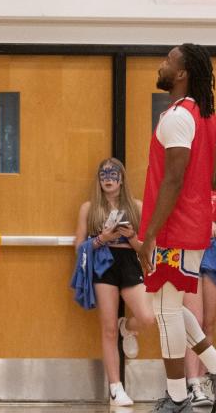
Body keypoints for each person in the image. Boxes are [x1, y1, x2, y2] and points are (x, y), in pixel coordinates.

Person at [137, 44, 216, 413]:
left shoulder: (179, 116)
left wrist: (149, 234)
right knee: (169, 304)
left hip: (174, 228)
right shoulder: (208, 117)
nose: (162, 65)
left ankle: (178, 396)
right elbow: (206, 176)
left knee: (165, 311)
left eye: (168, 60)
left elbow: (175, 179)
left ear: (182, 73)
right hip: (190, 225)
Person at [74, 158, 155, 407]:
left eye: (113, 174)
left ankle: (127, 327)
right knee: (107, 328)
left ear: (122, 178)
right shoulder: (89, 208)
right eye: (103, 174)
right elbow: (79, 247)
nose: (108, 178)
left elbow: (146, 248)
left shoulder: (137, 207)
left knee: (147, 317)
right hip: (103, 264)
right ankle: (115, 387)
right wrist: (101, 238)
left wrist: (131, 236)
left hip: (130, 262)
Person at [184, 170, 216, 408]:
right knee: (192, 321)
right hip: (189, 252)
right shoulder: (184, 190)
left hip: (213, 253)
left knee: (209, 322)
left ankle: (205, 378)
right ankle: (191, 381)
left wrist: (215, 229)